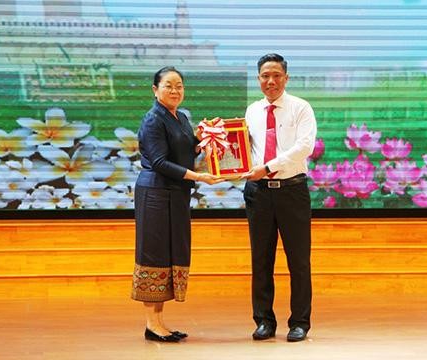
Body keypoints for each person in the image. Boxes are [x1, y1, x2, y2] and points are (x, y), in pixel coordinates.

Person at [132, 66, 223, 343]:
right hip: (155, 195)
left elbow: (187, 147)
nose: (175, 91)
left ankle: (159, 322)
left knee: (171, 255)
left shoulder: (181, 117)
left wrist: (208, 137)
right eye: (169, 85)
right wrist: (199, 177)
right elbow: (159, 162)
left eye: (179, 86)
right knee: (155, 255)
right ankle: (152, 323)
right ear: (155, 89)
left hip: (176, 194)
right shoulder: (153, 119)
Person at [241, 53, 317, 342]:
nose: (270, 81)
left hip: (292, 191)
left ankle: (300, 322)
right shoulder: (252, 111)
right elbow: (244, 148)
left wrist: (268, 167)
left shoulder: (300, 108)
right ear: (258, 79)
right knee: (260, 260)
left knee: (299, 261)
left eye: (276, 75)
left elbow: (304, 147)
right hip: (258, 194)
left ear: (286, 77)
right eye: (264, 76)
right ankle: (264, 320)